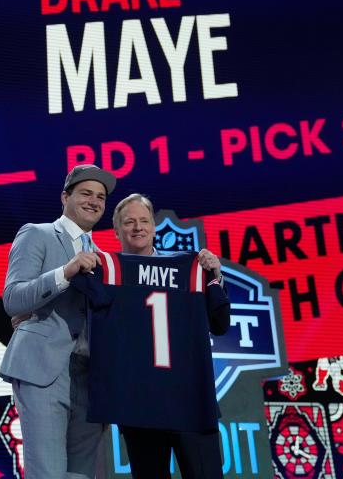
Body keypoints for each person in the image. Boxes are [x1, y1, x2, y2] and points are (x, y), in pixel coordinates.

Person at [0, 164, 116, 479]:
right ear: (65, 196)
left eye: (101, 197)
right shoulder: (37, 234)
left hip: (90, 379)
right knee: (48, 473)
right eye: (86, 193)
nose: (94, 201)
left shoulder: (106, 259)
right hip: (44, 370)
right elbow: (13, 299)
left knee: (83, 475)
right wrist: (65, 273)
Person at [111, 193, 229, 479]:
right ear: (116, 230)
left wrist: (214, 277)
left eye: (143, 221)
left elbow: (220, 323)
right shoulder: (108, 273)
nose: (137, 227)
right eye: (129, 222)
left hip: (190, 399)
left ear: (154, 226)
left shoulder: (189, 269)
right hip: (139, 403)